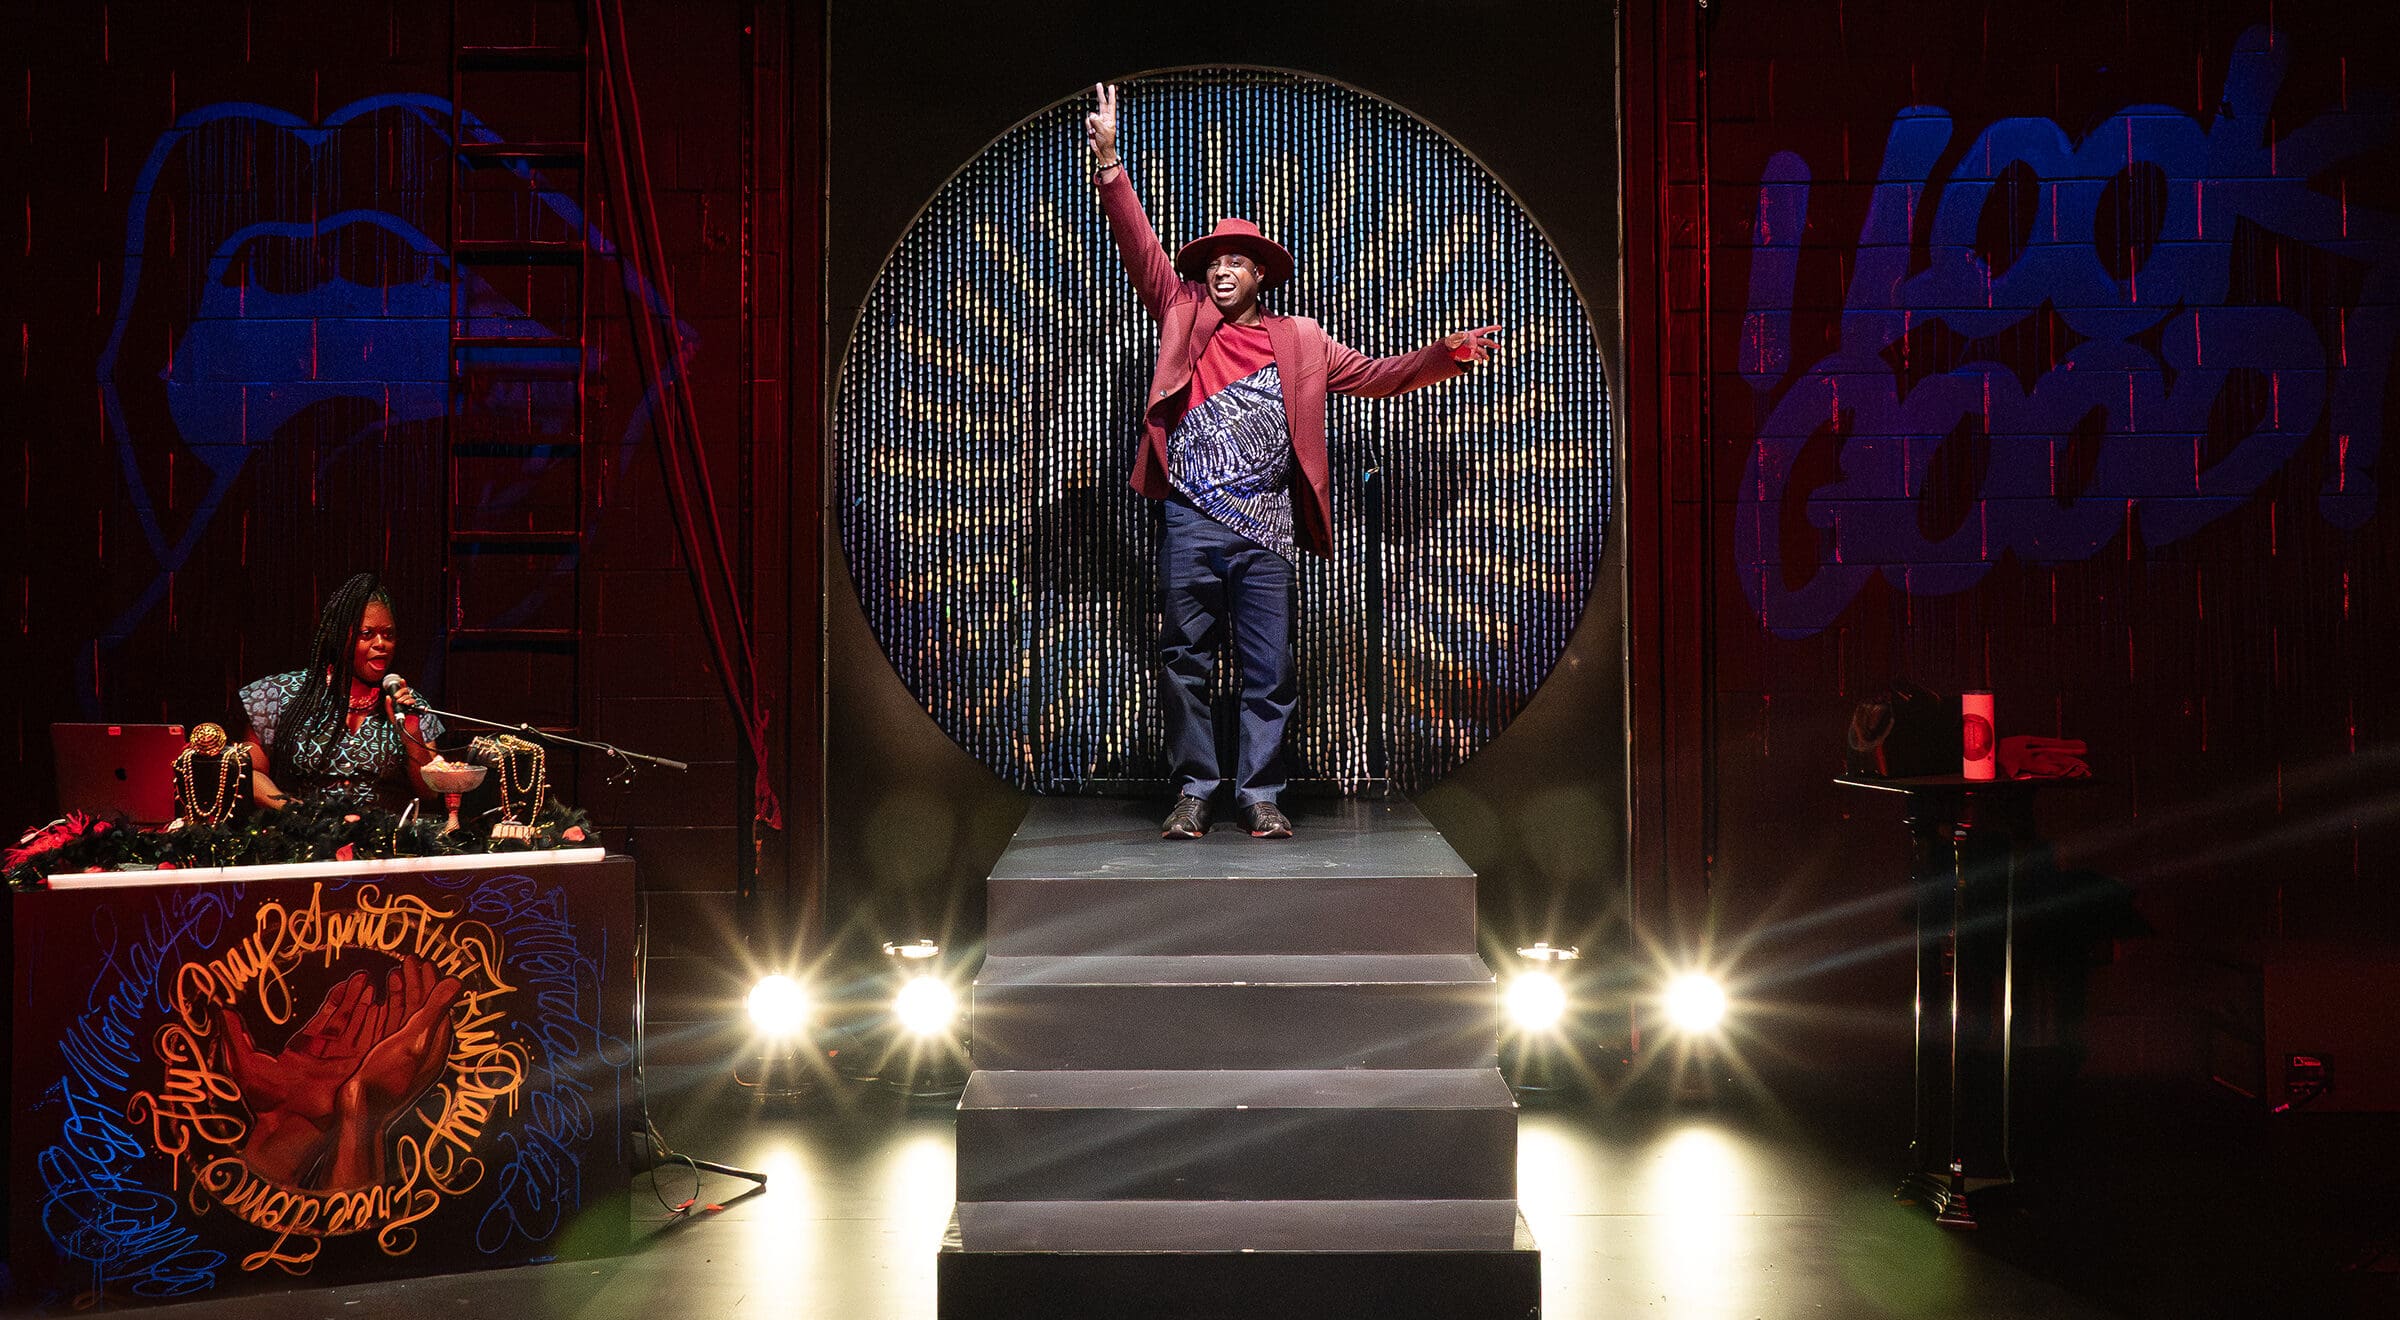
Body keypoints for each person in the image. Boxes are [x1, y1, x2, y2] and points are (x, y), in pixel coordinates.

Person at [1084, 82, 1500, 840]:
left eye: (1235, 262)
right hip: (1190, 518)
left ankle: (1261, 793)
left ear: (1260, 276)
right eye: (1212, 261)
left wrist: (1444, 354)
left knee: (1269, 671)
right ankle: (1196, 790)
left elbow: (1375, 374)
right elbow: (1140, 246)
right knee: (1184, 661)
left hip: (1267, 528)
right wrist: (1111, 163)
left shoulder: (1303, 340)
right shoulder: (1181, 312)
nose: (1220, 270)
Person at [240, 572, 443, 812]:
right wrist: (294, 812)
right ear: (338, 637)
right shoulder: (278, 694)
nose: (381, 643)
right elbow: (250, 773)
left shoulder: (409, 705)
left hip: (383, 843)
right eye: (367, 634)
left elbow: (429, 792)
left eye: (388, 635)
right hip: (303, 839)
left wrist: (411, 733)